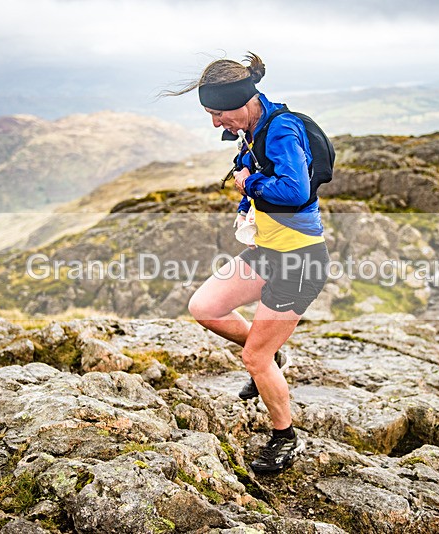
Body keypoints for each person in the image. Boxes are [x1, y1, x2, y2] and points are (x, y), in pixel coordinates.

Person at [164, 52, 330, 474]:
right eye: (210, 114)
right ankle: (271, 356)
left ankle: (284, 437)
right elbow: (252, 164)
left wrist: (248, 182)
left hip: (299, 260)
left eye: (218, 114)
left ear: (242, 100)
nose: (216, 123)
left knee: (253, 360)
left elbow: (294, 191)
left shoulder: (280, 130)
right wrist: (244, 166)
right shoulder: (253, 127)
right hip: (267, 252)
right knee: (205, 308)